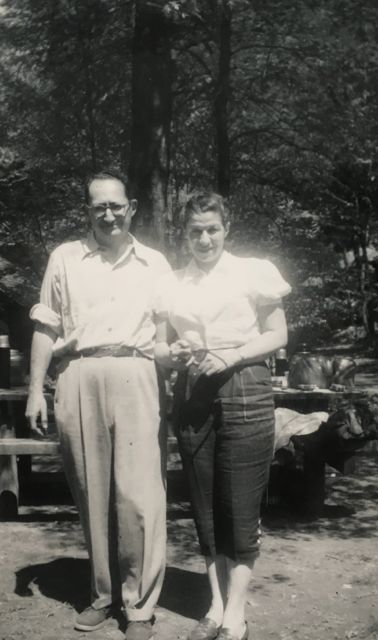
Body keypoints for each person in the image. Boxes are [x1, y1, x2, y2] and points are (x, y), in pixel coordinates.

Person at [25, 170, 170, 640]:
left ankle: (141, 607)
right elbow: (46, 326)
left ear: (131, 208)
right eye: (98, 207)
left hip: (136, 371)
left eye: (116, 205)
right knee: (92, 494)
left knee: (139, 495)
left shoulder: (155, 263)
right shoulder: (65, 258)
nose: (108, 214)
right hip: (78, 375)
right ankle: (104, 596)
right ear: (87, 211)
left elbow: (173, 330)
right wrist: (34, 390)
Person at [155, 192, 291, 640]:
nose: (204, 238)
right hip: (193, 390)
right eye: (195, 231)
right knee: (204, 506)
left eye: (212, 228)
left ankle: (236, 612)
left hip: (246, 386)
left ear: (226, 228)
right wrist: (172, 354)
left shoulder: (254, 271)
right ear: (185, 233)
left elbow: (277, 334)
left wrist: (232, 356)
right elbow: (158, 346)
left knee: (240, 505)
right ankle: (214, 605)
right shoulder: (172, 282)